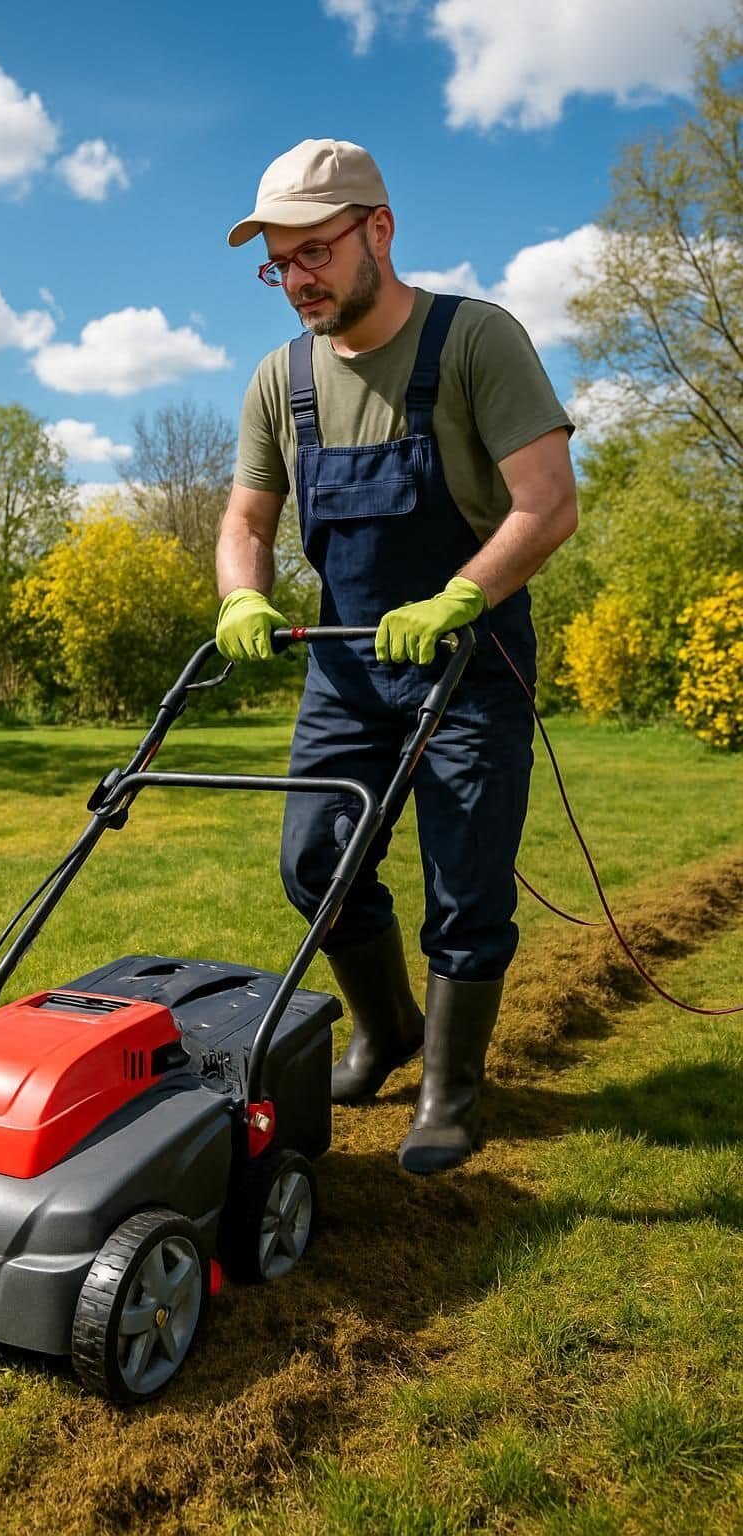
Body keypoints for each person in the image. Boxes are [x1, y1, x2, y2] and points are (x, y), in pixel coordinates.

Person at [214, 139, 577, 1174]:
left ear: (378, 228)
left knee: (465, 885)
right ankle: (387, 1033)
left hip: (470, 658)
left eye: (313, 253)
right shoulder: (279, 380)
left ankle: (451, 1094)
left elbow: (547, 503)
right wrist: (242, 595)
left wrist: (460, 593)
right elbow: (246, 518)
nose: (295, 282)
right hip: (345, 667)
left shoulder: (474, 342)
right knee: (315, 862)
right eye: (277, 264)